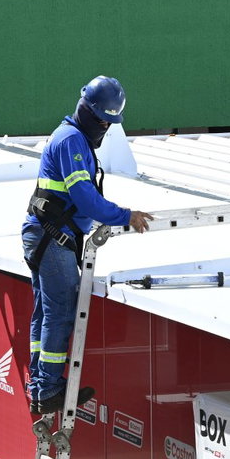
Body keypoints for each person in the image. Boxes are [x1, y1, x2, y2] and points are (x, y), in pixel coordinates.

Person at [21, 76, 153, 416]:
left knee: (45, 312)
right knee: (60, 312)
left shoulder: (72, 137)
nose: (107, 127)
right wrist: (127, 215)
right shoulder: (71, 141)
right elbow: (86, 198)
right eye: (106, 121)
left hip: (47, 235)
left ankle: (39, 382)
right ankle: (48, 386)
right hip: (53, 238)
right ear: (95, 115)